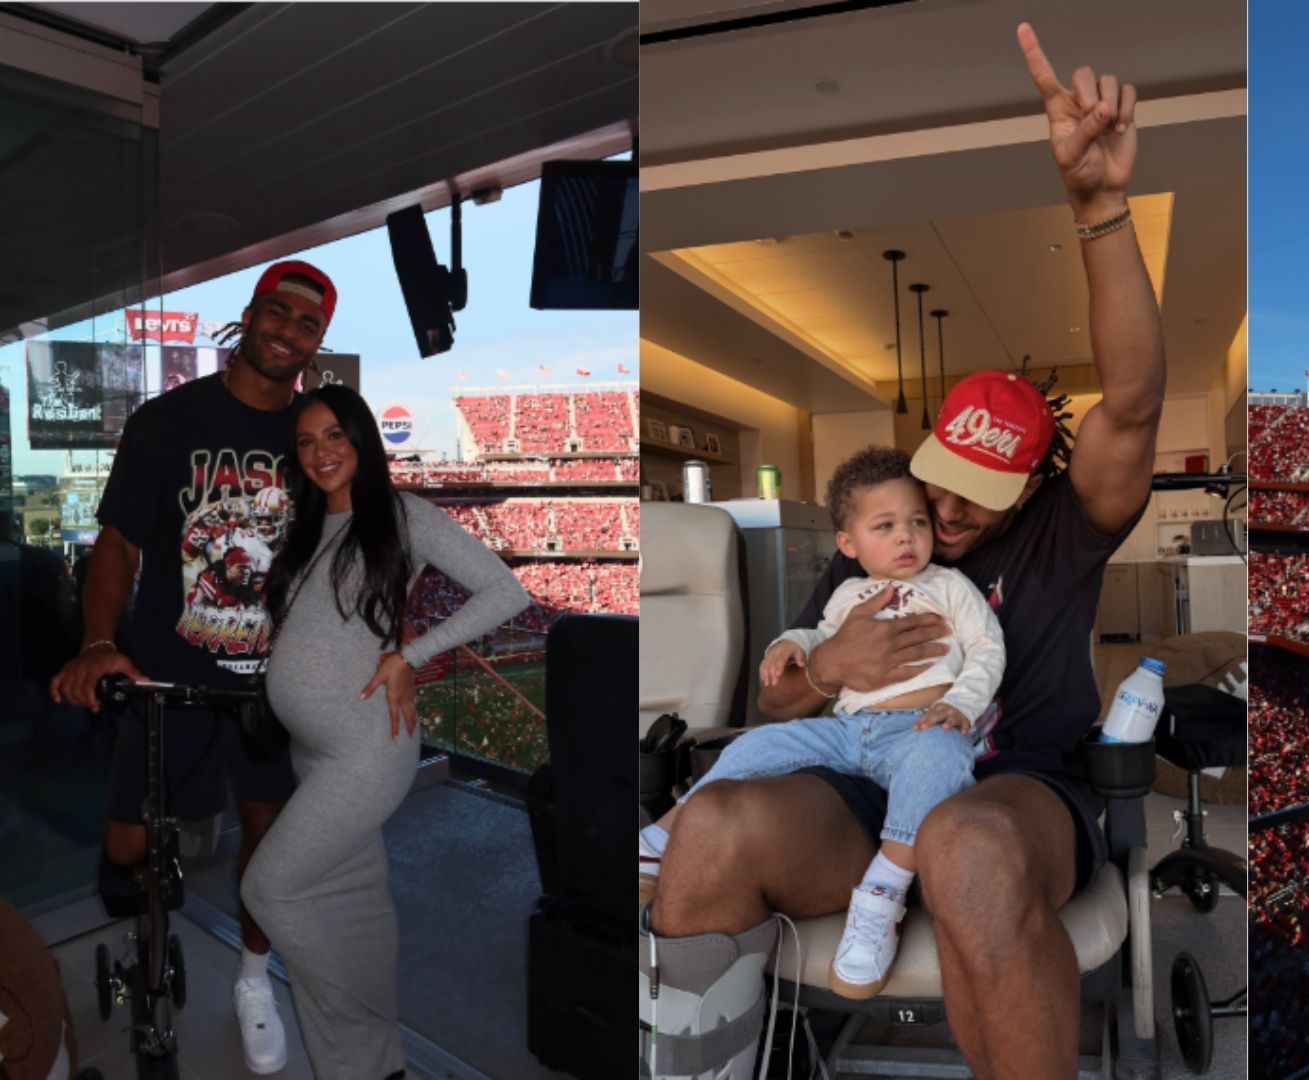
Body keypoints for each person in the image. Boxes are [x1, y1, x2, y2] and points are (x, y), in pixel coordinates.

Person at [645, 22, 1165, 1079]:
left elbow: (1137, 401)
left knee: (964, 843)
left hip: (1015, 786)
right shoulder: (881, 539)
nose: (948, 513)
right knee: (710, 830)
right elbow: (785, 708)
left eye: (981, 495)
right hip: (857, 787)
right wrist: (830, 666)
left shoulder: (1064, 527)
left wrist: (1098, 208)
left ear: (1030, 487)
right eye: (939, 482)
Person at [49, 260, 340, 1074]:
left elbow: (350, 546)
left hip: (273, 689)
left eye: (308, 324)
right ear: (249, 315)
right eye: (277, 312)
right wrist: (97, 642)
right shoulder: (166, 421)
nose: (287, 331)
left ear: (318, 343)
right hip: (167, 676)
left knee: (269, 848)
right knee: (126, 849)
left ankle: (252, 979)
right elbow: (119, 542)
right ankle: (155, 886)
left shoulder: (316, 436)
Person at [641, 446, 1004, 999]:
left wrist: (962, 704)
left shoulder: (949, 586)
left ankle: (882, 896)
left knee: (942, 757)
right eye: (885, 526)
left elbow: (986, 648)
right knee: (763, 744)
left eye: (917, 522)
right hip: (846, 732)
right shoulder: (846, 593)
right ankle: (661, 835)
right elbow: (820, 636)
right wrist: (789, 643)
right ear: (848, 544)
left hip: (918, 727)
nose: (906, 537)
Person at [238, 385, 527, 1078]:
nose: (321, 452)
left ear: (362, 438)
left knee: (269, 889)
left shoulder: (401, 513)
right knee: (353, 901)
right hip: (313, 749)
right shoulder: (309, 526)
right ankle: (369, 1066)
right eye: (306, 442)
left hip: (367, 748)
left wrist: (411, 655)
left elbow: (505, 591)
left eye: (334, 435)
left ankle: (360, 1025)